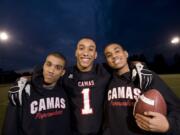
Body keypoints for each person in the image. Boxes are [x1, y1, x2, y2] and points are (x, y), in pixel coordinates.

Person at [103, 43, 180, 135]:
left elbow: (176, 107)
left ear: (126, 54)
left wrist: (168, 125)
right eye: (109, 55)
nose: (114, 56)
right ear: (107, 61)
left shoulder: (147, 76)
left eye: (117, 51)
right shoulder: (107, 81)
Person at [2, 52, 71, 135]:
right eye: (49, 64)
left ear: (62, 72)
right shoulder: (23, 91)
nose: (51, 71)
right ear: (43, 66)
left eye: (57, 67)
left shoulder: (65, 92)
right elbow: (10, 128)